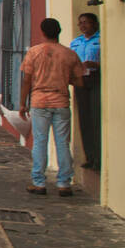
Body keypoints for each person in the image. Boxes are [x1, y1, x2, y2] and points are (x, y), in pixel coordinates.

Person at [19, 18, 84, 197]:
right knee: (62, 142)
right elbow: (79, 81)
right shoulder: (69, 54)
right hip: (61, 101)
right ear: (59, 31)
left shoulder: (34, 52)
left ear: (43, 32)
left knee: (40, 141)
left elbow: (27, 80)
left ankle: (39, 182)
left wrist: (22, 103)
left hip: (40, 102)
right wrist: (64, 79)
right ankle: (64, 183)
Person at [70, 12, 101, 172]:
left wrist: (96, 64)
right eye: (80, 23)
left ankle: (99, 157)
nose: (83, 25)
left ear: (94, 24)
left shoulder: (101, 40)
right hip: (80, 81)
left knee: (97, 118)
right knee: (84, 118)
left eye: (86, 22)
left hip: (96, 79)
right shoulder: (75, 42)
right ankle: (89, 156)